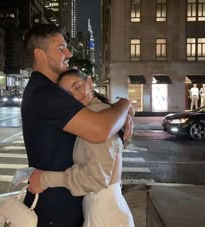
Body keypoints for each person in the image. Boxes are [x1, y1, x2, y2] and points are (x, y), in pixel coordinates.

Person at [22, 23, 134, 227]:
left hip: (65, 204)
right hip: (55, 210)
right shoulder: (46, 94)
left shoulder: (44, 90)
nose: (69, 52)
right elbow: (101, 130)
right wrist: (124, 104)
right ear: (40, 55)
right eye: (60, 48)